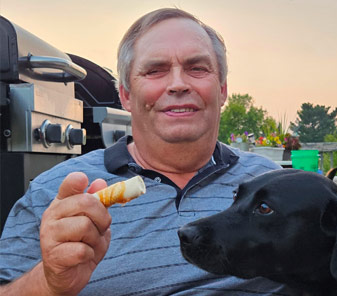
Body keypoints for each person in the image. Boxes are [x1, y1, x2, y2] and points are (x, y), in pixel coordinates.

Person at [0, 8, 302, 296]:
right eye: (155, 71)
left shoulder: (272, 185)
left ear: (222, 89)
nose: (178, 84)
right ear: (126, 95)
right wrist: (49, 282)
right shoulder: (53, 195)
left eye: (197, 68)